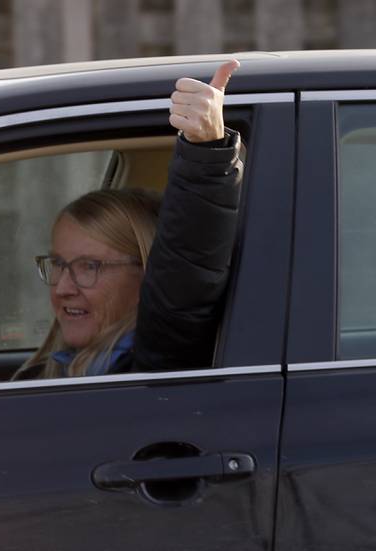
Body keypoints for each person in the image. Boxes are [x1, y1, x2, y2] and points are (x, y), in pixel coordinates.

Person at [14, 60, 243, 380]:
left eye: (89, 266)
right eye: (59, 264)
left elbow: (186, 266)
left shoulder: (156, 365)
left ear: (148, 273)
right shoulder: (57, 369)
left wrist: (206, 153)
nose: (64, 287)